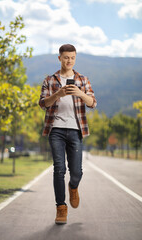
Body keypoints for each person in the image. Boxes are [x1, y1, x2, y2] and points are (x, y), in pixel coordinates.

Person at [39, 44, 97, 224]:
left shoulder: (83, 79)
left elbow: (93, 103)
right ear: (59, 58)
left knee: (77, 172)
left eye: (72, 57)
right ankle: (61, 208)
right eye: (65, 57)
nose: (69, 60)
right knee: (59, 168)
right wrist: (58, 94)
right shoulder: (50, 80)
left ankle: (73, 187)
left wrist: (80, 93)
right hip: (55, 129)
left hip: (75, 130)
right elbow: (43, 104)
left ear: (75, 58)